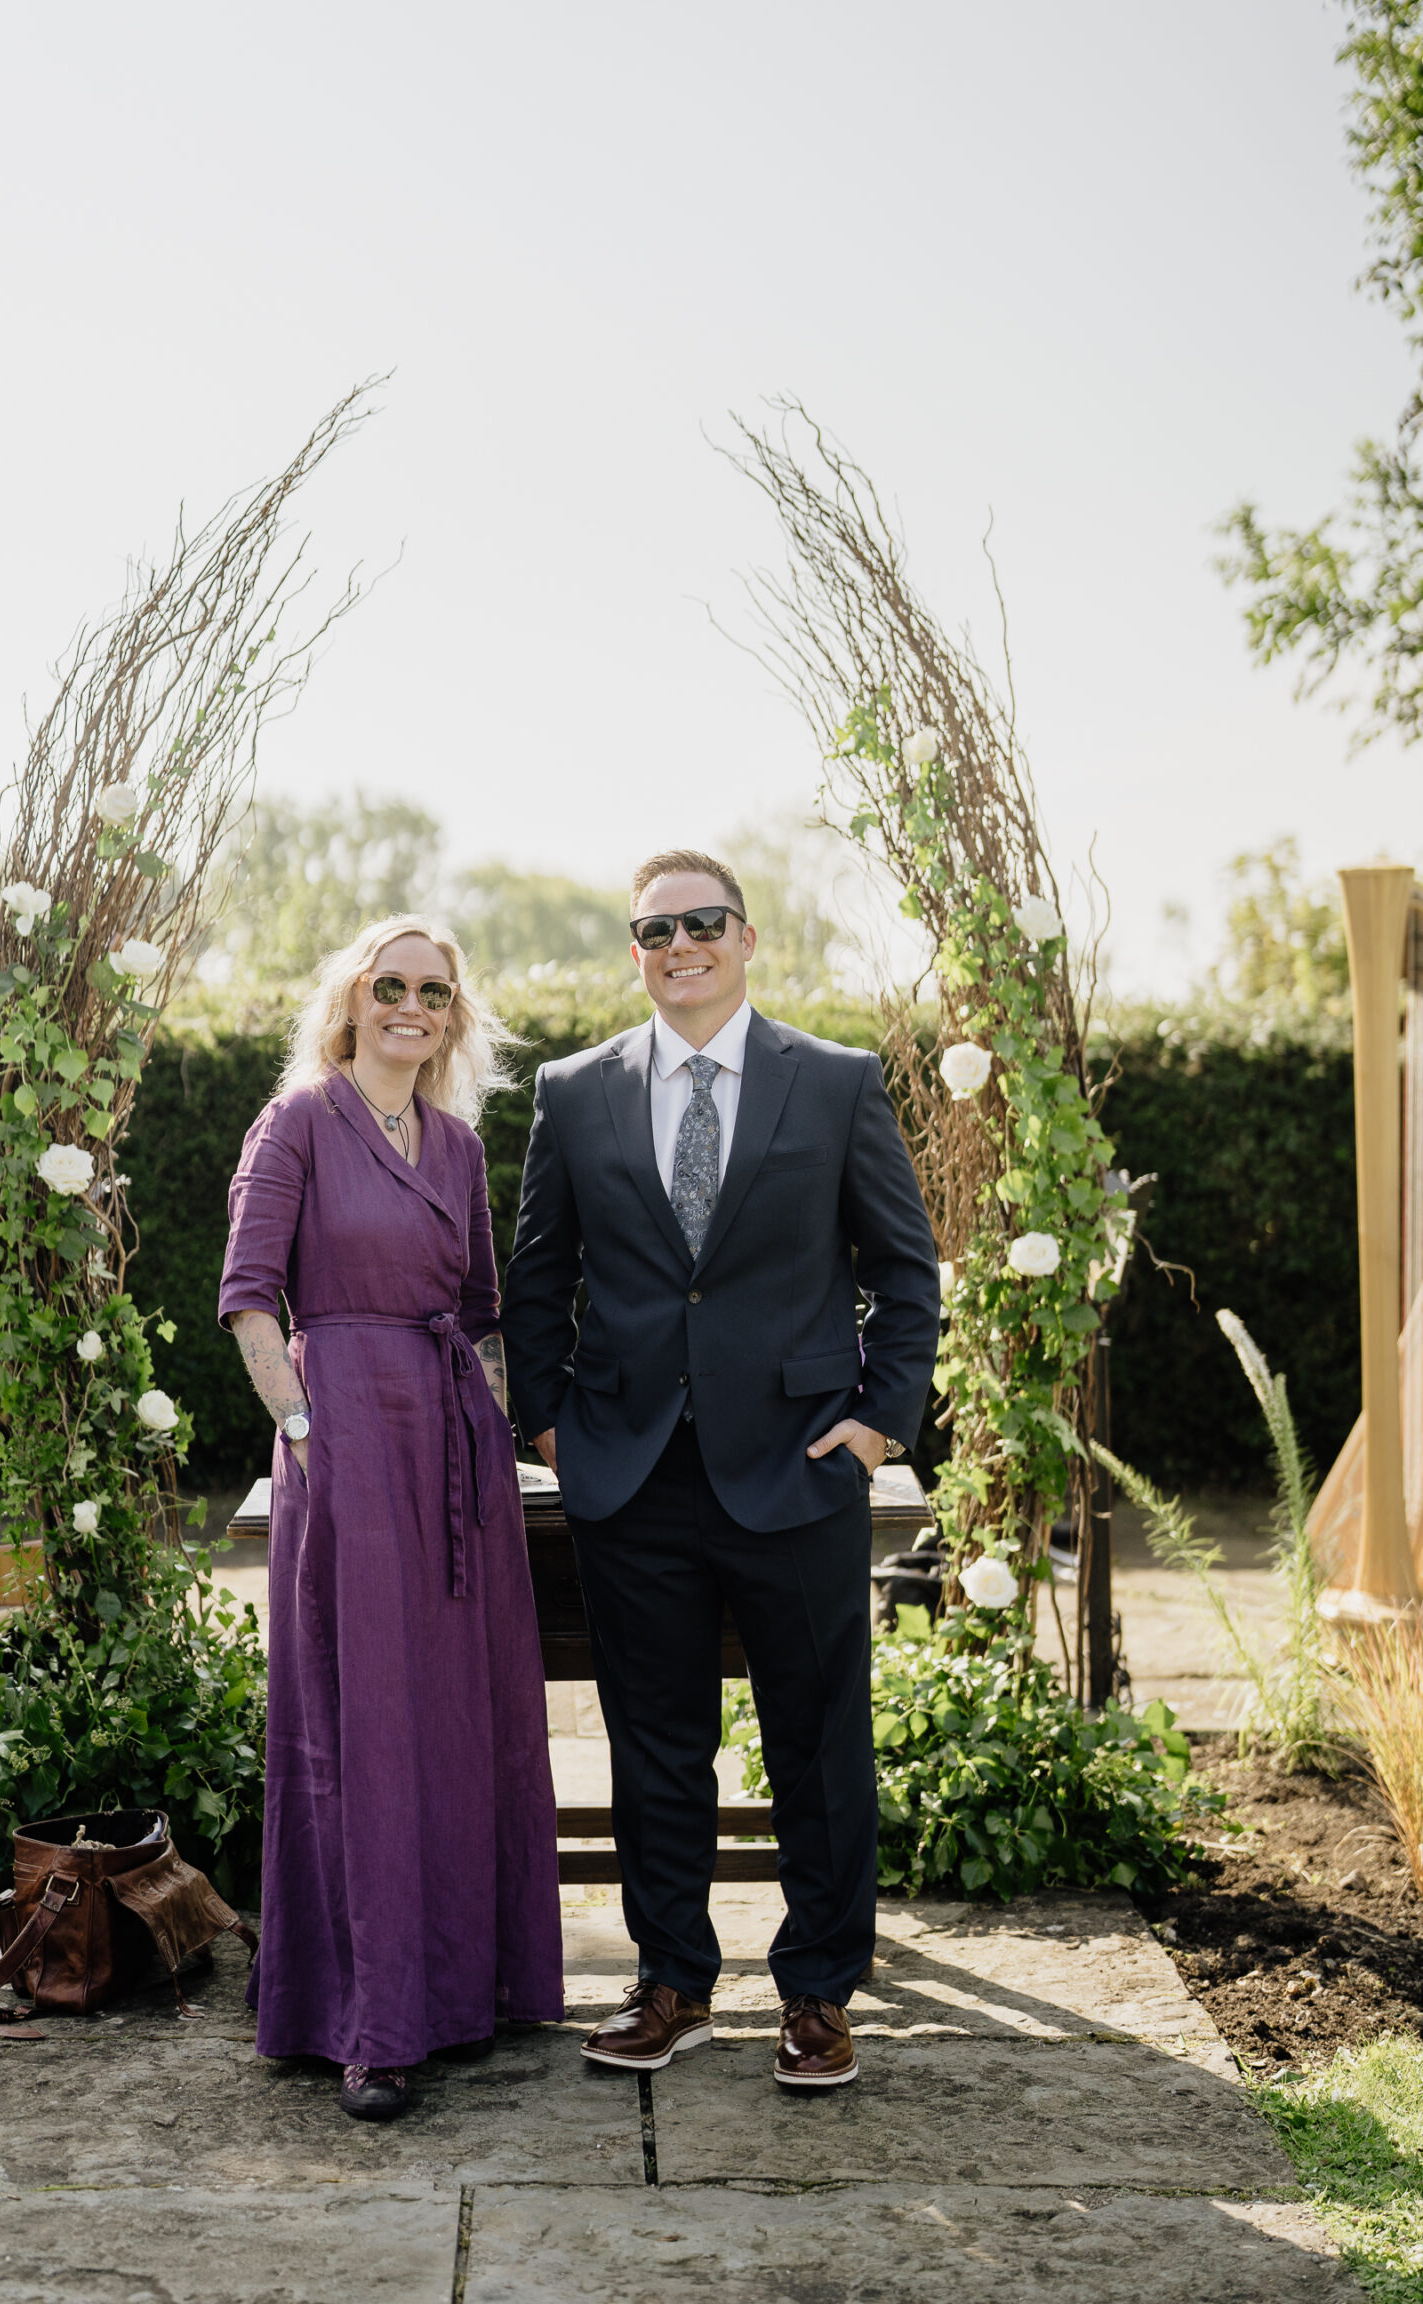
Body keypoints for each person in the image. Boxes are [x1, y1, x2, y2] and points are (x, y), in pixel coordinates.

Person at [502, 849, 939, 2093]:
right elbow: (536, 1281)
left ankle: (816, 1994)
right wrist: (552, 1428)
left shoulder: (838, 1082)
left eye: (703, 922)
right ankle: (674, 1981)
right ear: (634, 951)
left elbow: (906, 1272)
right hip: (632, 1477)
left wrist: (876, 1425)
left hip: (799, 1468)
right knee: (653, 1742)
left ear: (747, 939)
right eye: (655, 928)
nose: (679, 943)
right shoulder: (575, 1093)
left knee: (817, 1743)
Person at [219, 914, 564, 2121]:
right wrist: (307, 1432)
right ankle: (369, 2022)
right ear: (353, 999)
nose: (411, 1004)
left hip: (452, 1445)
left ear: (453, 1014)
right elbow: (251, 1299)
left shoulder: (462, 1147)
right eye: (390, 984)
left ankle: (469, 1989)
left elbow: (478, 1313)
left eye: (434, 989)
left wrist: (505, 1445)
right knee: (361, 1718)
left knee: (460, 1713)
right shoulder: (298, 1123)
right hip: (347, 1438)